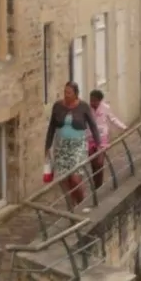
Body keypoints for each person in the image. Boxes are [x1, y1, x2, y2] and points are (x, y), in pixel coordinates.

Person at [44, 82, 100, 211]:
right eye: (65, 92)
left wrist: (98, 144)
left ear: (76, 94)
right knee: (64, 180)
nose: (66, 95)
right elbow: (51, 127)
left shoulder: (83, 106)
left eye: (69, 93)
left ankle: (81, 203)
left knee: (75, 179)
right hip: (61, 147)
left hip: (77, 146)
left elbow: (93, 125)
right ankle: (71, 206)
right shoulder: (57, 106)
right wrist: (47, 147)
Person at [87, 89, 125, 188]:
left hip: (102, 137)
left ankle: (99, 185)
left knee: (99, 162)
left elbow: (113, 118)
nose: (93, 103)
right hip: (90, 138)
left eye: (95, 101)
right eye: (91, 100)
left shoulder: (105, 108)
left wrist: (123, 127)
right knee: (93, 163)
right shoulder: (87, 109)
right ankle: (96, 184)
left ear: (100, 101)